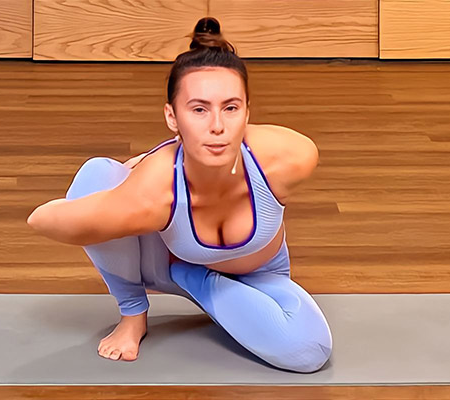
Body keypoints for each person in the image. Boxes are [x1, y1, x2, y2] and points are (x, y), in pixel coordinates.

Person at [27, 17, 332, 373]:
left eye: (230, 108)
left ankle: (197, 280)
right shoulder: (155, 188)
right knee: (96, 176)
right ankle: (133, 313)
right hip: (163, 266)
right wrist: (124, 188)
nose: (217, 126)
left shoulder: (290, 157)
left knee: (309, 351)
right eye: (199, 109)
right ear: (172, 117)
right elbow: (40, 220)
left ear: (247, 112)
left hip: (262, 275)